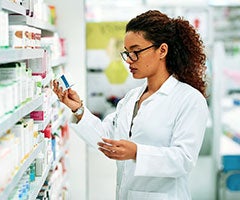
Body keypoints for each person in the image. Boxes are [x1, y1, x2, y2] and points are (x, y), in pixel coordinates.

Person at [53, 10, 209, 200]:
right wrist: (78, 109)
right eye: (127, 53)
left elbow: (184, 160)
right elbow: (107, 138)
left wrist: (137, 152)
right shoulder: (131, 98)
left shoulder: (189, 99)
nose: (129, 60)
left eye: (136, 52)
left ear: (162, 50)